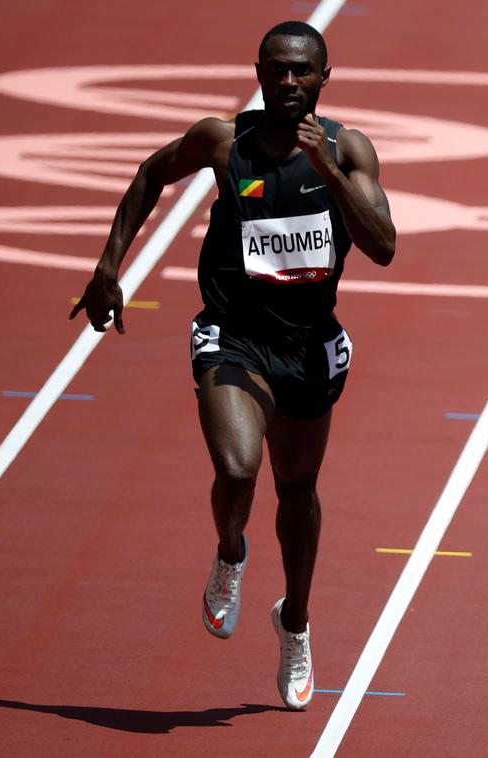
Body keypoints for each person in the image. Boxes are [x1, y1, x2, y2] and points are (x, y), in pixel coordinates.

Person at [70, 20, 395, 711]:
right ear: (258, 72)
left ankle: (296, 621)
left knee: (298, 492)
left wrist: (330, 171)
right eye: (276, 70)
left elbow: (384, 245)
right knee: (238, 469)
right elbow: (151, 173)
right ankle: (230, 552)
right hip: (233, 335)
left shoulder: (349, 149)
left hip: (308, 346)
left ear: (324, 78)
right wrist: (108, 264)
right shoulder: (225, 141)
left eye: (302, 71)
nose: (288, 82)